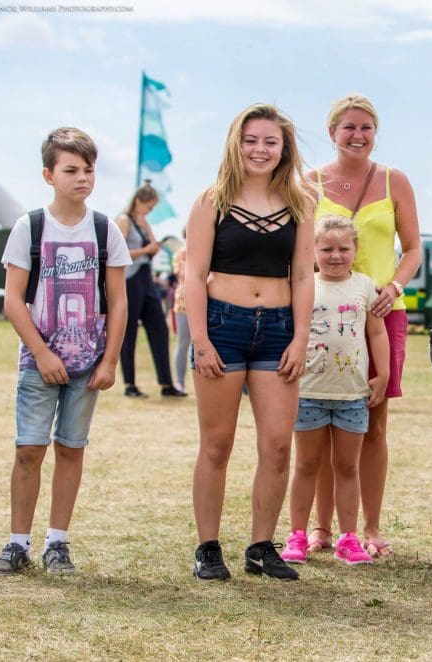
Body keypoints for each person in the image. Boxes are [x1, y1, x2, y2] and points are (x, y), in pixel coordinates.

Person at [0, 127, 130, 577]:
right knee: (29, 450)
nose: (82, 178)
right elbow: (13, 299)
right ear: (49, 174)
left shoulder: (106, 229)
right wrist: (42, 353)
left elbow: (119, 300)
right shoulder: (30, 227)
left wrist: (109, 361)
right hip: (37, 363)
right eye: (71, 170)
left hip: (89, 364)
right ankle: (17, 543)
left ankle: (57, 543)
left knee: (71, 448)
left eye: (88, 170)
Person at [185, 103, 314, 581]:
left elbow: (303, 275)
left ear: (284, 149)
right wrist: (200, 339)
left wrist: (300, 337)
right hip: (222, 325)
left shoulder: (301, 202)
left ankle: (261, 546)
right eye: (251, 140)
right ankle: (208, 547)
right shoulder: (210, 201)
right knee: (217, 444)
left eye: (270, 142)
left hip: (278, 330)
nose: (260, 150)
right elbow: (194, 276)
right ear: (236, 143)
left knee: (278, 445)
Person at [306, 94, 421, 558]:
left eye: (366, 128)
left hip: (379, 315)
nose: (357, 135)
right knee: (317, 422)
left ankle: (370, 530)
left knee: (371, 424)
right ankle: (320, 528)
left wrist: (392, 288)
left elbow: (412, 249)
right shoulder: (307, 183)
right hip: (321, 317)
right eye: (348, 127)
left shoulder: (396, 181)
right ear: (332, 132)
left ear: (376, 133)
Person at [282, 215, 389, 565]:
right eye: (326, 248)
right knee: (306, 465)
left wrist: (383, 374)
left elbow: (375, 333)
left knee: (347, 467)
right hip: (308, 392)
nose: (335, 255)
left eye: (344, 248)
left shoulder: (365, 287)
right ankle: (297, 534)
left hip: (351, 396)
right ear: (313, 251)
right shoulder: (302, 285)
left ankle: (348, 537)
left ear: (356, 250)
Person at [116, 181, 185, 398]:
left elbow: (153, 245)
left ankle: (166, 383)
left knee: (160, 328)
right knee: (129, 332)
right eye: (149, 206)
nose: (151, 210)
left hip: (146, 278)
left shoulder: (144, 222)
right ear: (139, 201)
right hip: (129, 279)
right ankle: (130, 384)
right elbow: (117, 252)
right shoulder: (124, 220)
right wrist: (146, 249)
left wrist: (153, 249)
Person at [171, 228, 190, 394]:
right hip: (183, 303)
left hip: (205, 302)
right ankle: (180, 382)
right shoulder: (181, 254)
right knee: (183, 344)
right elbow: (183, 274)